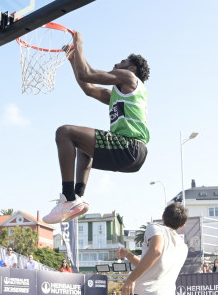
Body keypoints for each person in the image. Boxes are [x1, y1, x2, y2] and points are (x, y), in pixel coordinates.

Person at [43, 32, 150, 224]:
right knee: (84, 148)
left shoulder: (128, 77)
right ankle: (78, 197)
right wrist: (72, 60)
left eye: (122, 61)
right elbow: (89, 88)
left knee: (64, 132)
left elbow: (87, 73)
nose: (117, 64)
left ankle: (68, 198)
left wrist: (79, 45)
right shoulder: (121, 94)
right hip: (134, 154)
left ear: (131, 68)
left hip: (129, 146)